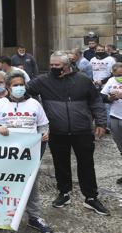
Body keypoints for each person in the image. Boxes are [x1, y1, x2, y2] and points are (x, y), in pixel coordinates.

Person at [27, 51, 109, 215]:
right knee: (60, 163)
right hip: (57, 131)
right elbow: (25, 90)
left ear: (67, 65)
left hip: (82, 130)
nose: (53, 68)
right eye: (51, 65)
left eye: (56, 65)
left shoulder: (83, 80)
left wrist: (101, 122)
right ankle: (64, 193)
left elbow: (95, 101)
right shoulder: (44, 81)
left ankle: (91, 198)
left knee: (86, 164)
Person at [0, 70, 52, 233]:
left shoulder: (34, 104)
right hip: (4, 156)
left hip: (29, 155)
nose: (19, 88)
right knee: (3, 185)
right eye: (15, 85)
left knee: (31, 187)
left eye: (22, 85)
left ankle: (34, 217)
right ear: (8, 87)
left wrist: (44, 133)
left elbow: (43, 124)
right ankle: (0, 217)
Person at [100, 62, 122, 184]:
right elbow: (102, 96)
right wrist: (109, 98)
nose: (120, 77)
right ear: (113, 73)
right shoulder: (111, 81)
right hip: (115, 116)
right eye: (118, 74)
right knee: (120, 147)